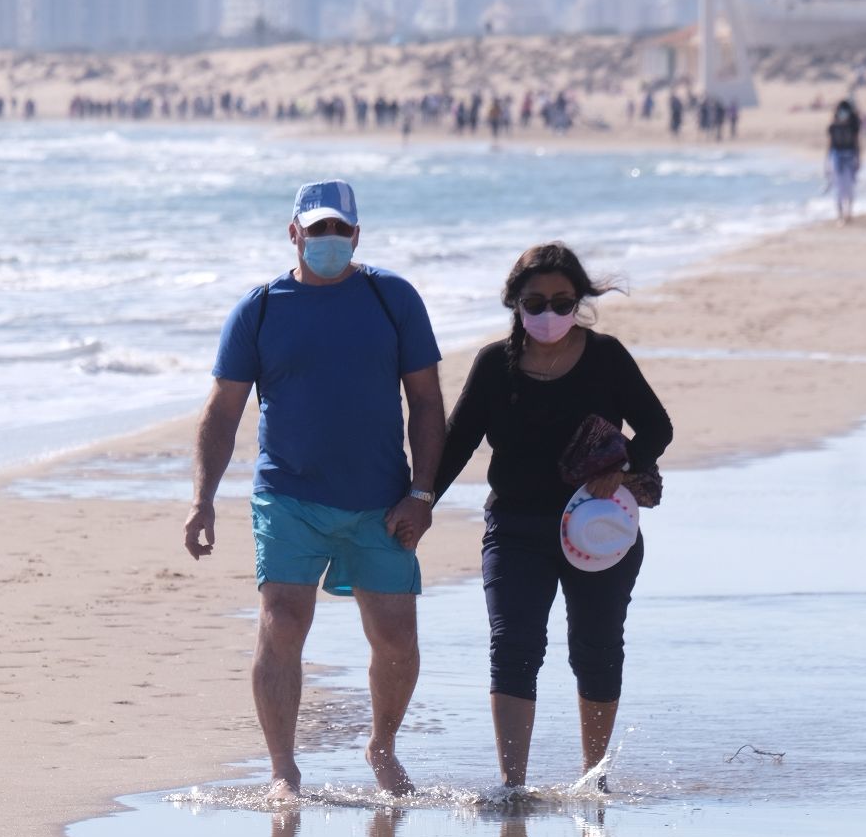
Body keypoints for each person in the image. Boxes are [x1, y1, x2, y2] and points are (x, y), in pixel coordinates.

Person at [184, 180, 446, 800]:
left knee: (396, 639)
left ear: (356, 235)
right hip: (288, 496)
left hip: (380, 502)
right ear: (293, 232)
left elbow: (428, 403)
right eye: (317, 229)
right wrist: (202, 500)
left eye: (340, 231)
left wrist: (423, 494)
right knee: (281, 624)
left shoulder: (392, 299)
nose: (329, 241)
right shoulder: (261, 309)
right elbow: (222, 412)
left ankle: (381, 745)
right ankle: (283, 770)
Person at [432, 242, 673, 789]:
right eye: (535, 303)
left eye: (562, 303)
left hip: (600, 529)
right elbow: (456, 445)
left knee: (596, 645)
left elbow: (658, 427)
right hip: (514, 530)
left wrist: (623, 464)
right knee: (513, 645)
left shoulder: (607, 356)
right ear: (515, 303)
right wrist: (419, 504)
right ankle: (512, 786)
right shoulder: (496, 364)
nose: (548, 315)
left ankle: (593, 778)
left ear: (579, 301)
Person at [826, 97, 862, 224]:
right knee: (838, 188)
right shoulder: (833, 127)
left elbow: (857, 144)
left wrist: (858, 158)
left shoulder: (853, 127)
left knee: (850, 187)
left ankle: (849, 213)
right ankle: (840, 215)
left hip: (850, 158)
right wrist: (827, 162)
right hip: (836, 158)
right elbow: (830, 145)